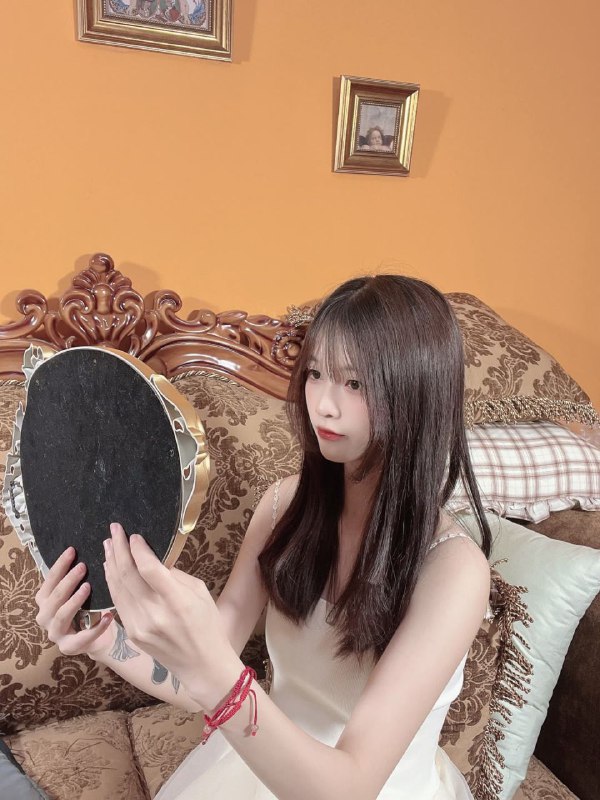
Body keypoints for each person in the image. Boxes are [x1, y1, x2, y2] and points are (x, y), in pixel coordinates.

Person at [35, 275, 492, 799]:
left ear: (417, 392)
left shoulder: (453, 571)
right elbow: (197, 673)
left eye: (355, 384)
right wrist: (101, 639)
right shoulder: (284, 507)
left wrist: (220, 676)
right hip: (262, 763)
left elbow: (350, 787)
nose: (323, 404)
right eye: (315, 373)